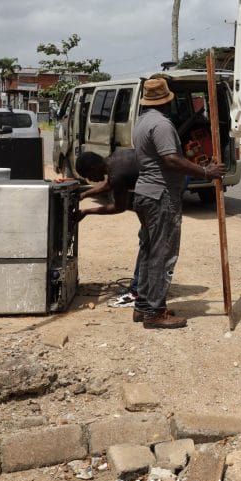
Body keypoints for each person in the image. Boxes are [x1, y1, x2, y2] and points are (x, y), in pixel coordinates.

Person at [131, 76, 225, 329]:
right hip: (160, 195)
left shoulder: (142, 121)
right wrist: (206, 172)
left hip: (145, 193)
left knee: (149, 251)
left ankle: (143, 306)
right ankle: (154, 312)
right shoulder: (161, 124)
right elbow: (171, 159)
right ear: (167, 101)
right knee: (163, 253)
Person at [75, 148, 146, 308]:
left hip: (163, 194)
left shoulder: (117, 175)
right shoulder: (116, 157)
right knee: (146, 240)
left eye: (88, 176)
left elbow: (119, 207)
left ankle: (138, 290)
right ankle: (139, 287)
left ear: (94, 168)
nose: (91, 179)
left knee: (147, 243)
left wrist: (87, 211)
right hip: (169, 183)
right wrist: (85, 194)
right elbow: (109, 184)